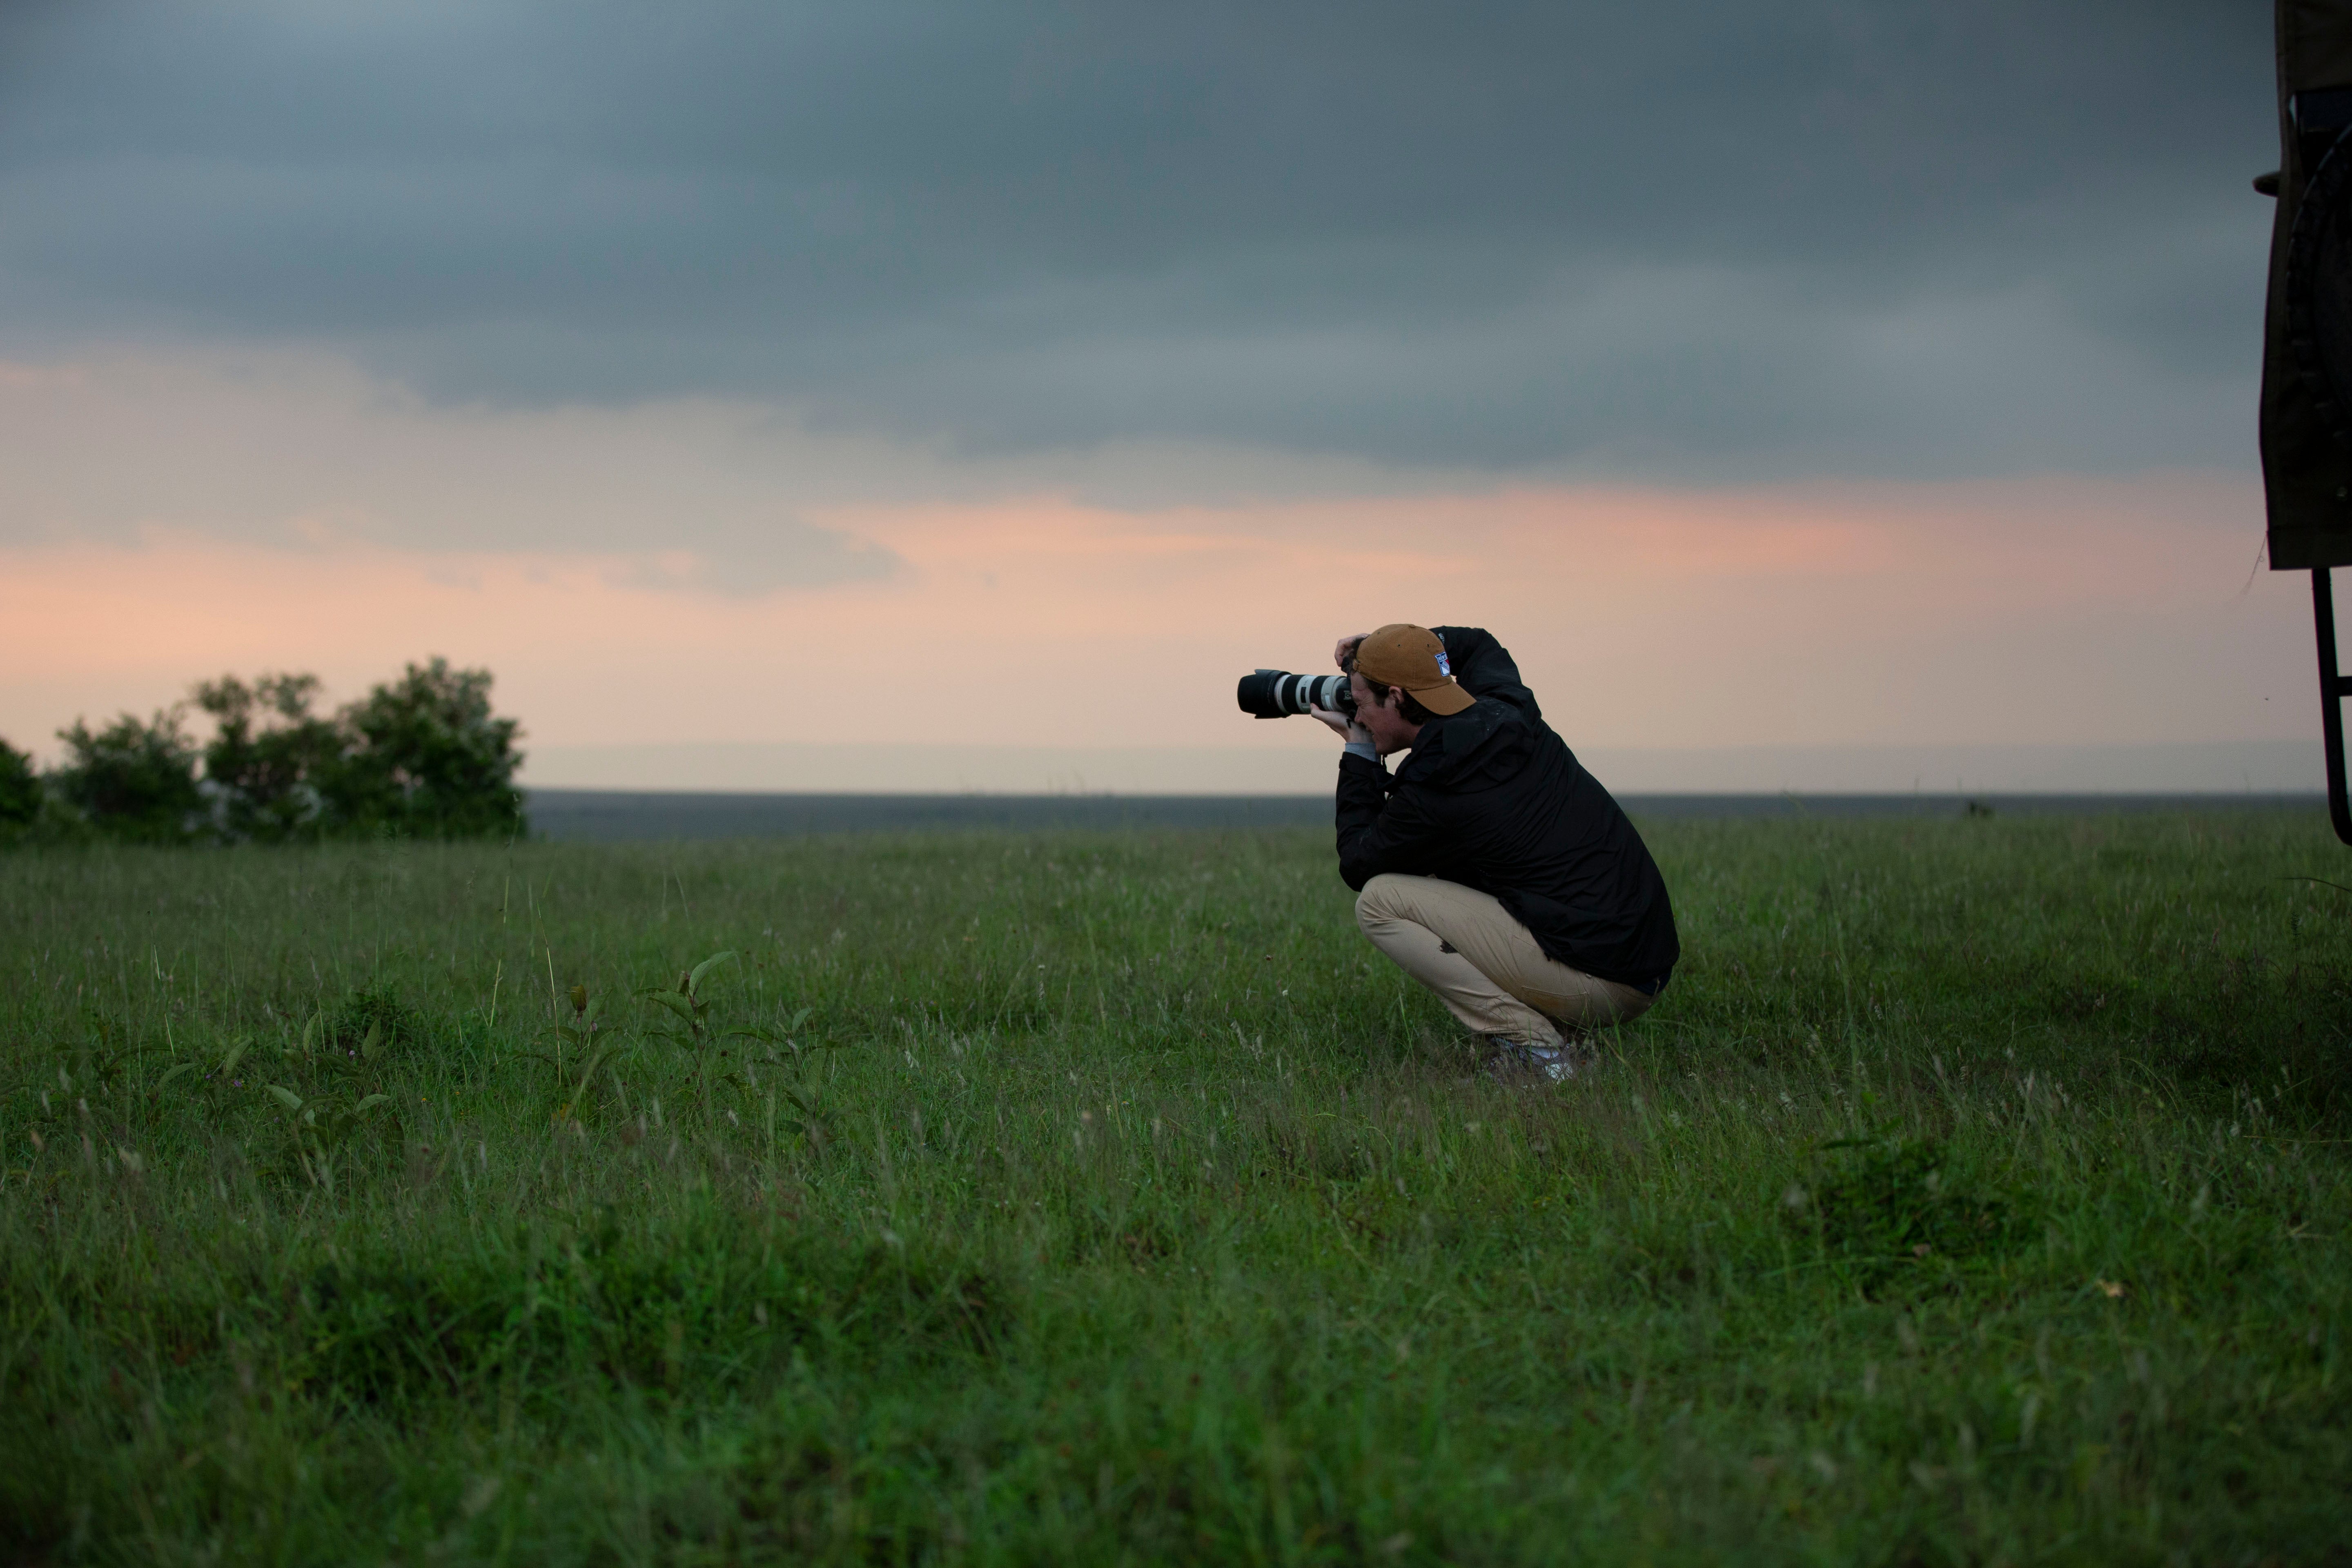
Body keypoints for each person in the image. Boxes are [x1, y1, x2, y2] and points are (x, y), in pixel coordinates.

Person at [1312, 624, 1678, 1080]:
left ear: (1400, 698)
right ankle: (1563, 1029)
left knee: (1380, 901)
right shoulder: (1505, 707)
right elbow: (1477, 644)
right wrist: (1392, 648)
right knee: (1438, 872)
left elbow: (1358, 863)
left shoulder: (1438, 780)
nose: (1358, 715)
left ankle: (1539, 1051)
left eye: (1362, 703)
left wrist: (1359, 753)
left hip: (1605, 983)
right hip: (1641, 961)